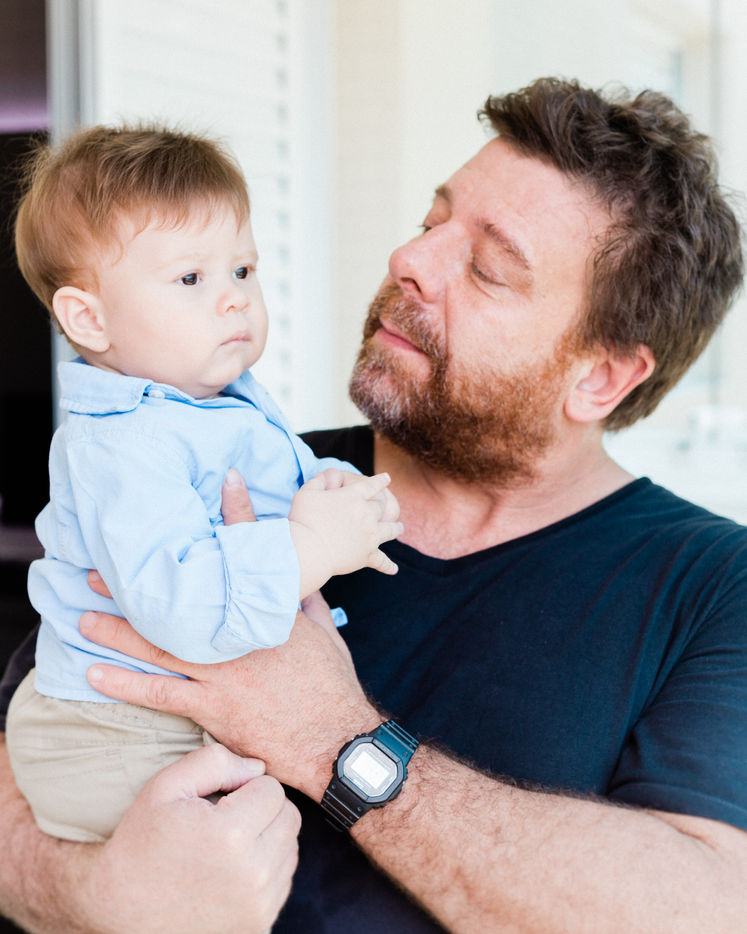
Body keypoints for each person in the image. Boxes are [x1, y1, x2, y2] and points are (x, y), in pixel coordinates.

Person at [2, 75, 747, 933]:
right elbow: (25, 754)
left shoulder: (713, 588)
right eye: (431, 223)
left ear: (601, 377)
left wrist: (330, 737)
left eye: (487, 269)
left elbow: (705, 907)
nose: (409, 261)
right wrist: (94, 894)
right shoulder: (233, 471)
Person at [4, 125, 401, 844]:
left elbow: (283, 482)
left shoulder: (213, 402)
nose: (233, 300)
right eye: (191, 279)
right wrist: (314, 546)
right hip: (112, 732)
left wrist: (343, 494)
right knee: (228, 861)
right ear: (89, 318)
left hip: (168, 714)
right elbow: (187, 610)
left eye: (242, 271)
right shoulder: (122, 445)